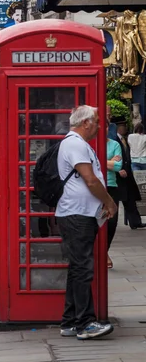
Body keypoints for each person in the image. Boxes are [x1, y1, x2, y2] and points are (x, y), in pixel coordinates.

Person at [56, 105, 116, 340]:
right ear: (86, 123)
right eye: (97, 122)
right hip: (77, 215)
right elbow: (90, 181)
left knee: (77, 268)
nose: (100, 126)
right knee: (83, 269)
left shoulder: (78, 144)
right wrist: (109, 202)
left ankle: (69, 322)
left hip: (79, 213)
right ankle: (85, 324)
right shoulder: (75, 144)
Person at [111, 114, 145, 229]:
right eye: (123, 126)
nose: (125, 128)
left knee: (130, 198)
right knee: (116, 199)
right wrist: (119, 169)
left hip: (127, 173)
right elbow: (114, 157)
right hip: (117, 174)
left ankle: (135, 222)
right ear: (117, 127)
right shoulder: (114, 140)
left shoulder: (123, 139)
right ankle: (111, 222)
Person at [106, 131, 125, 269]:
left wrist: (99, 160)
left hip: (111, 186)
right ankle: (101, 254)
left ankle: (104, 251)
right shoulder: (89, 143)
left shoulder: (114, 144)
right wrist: (110, 160)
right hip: (93, 187)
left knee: (112, 223)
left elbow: (118, 166)